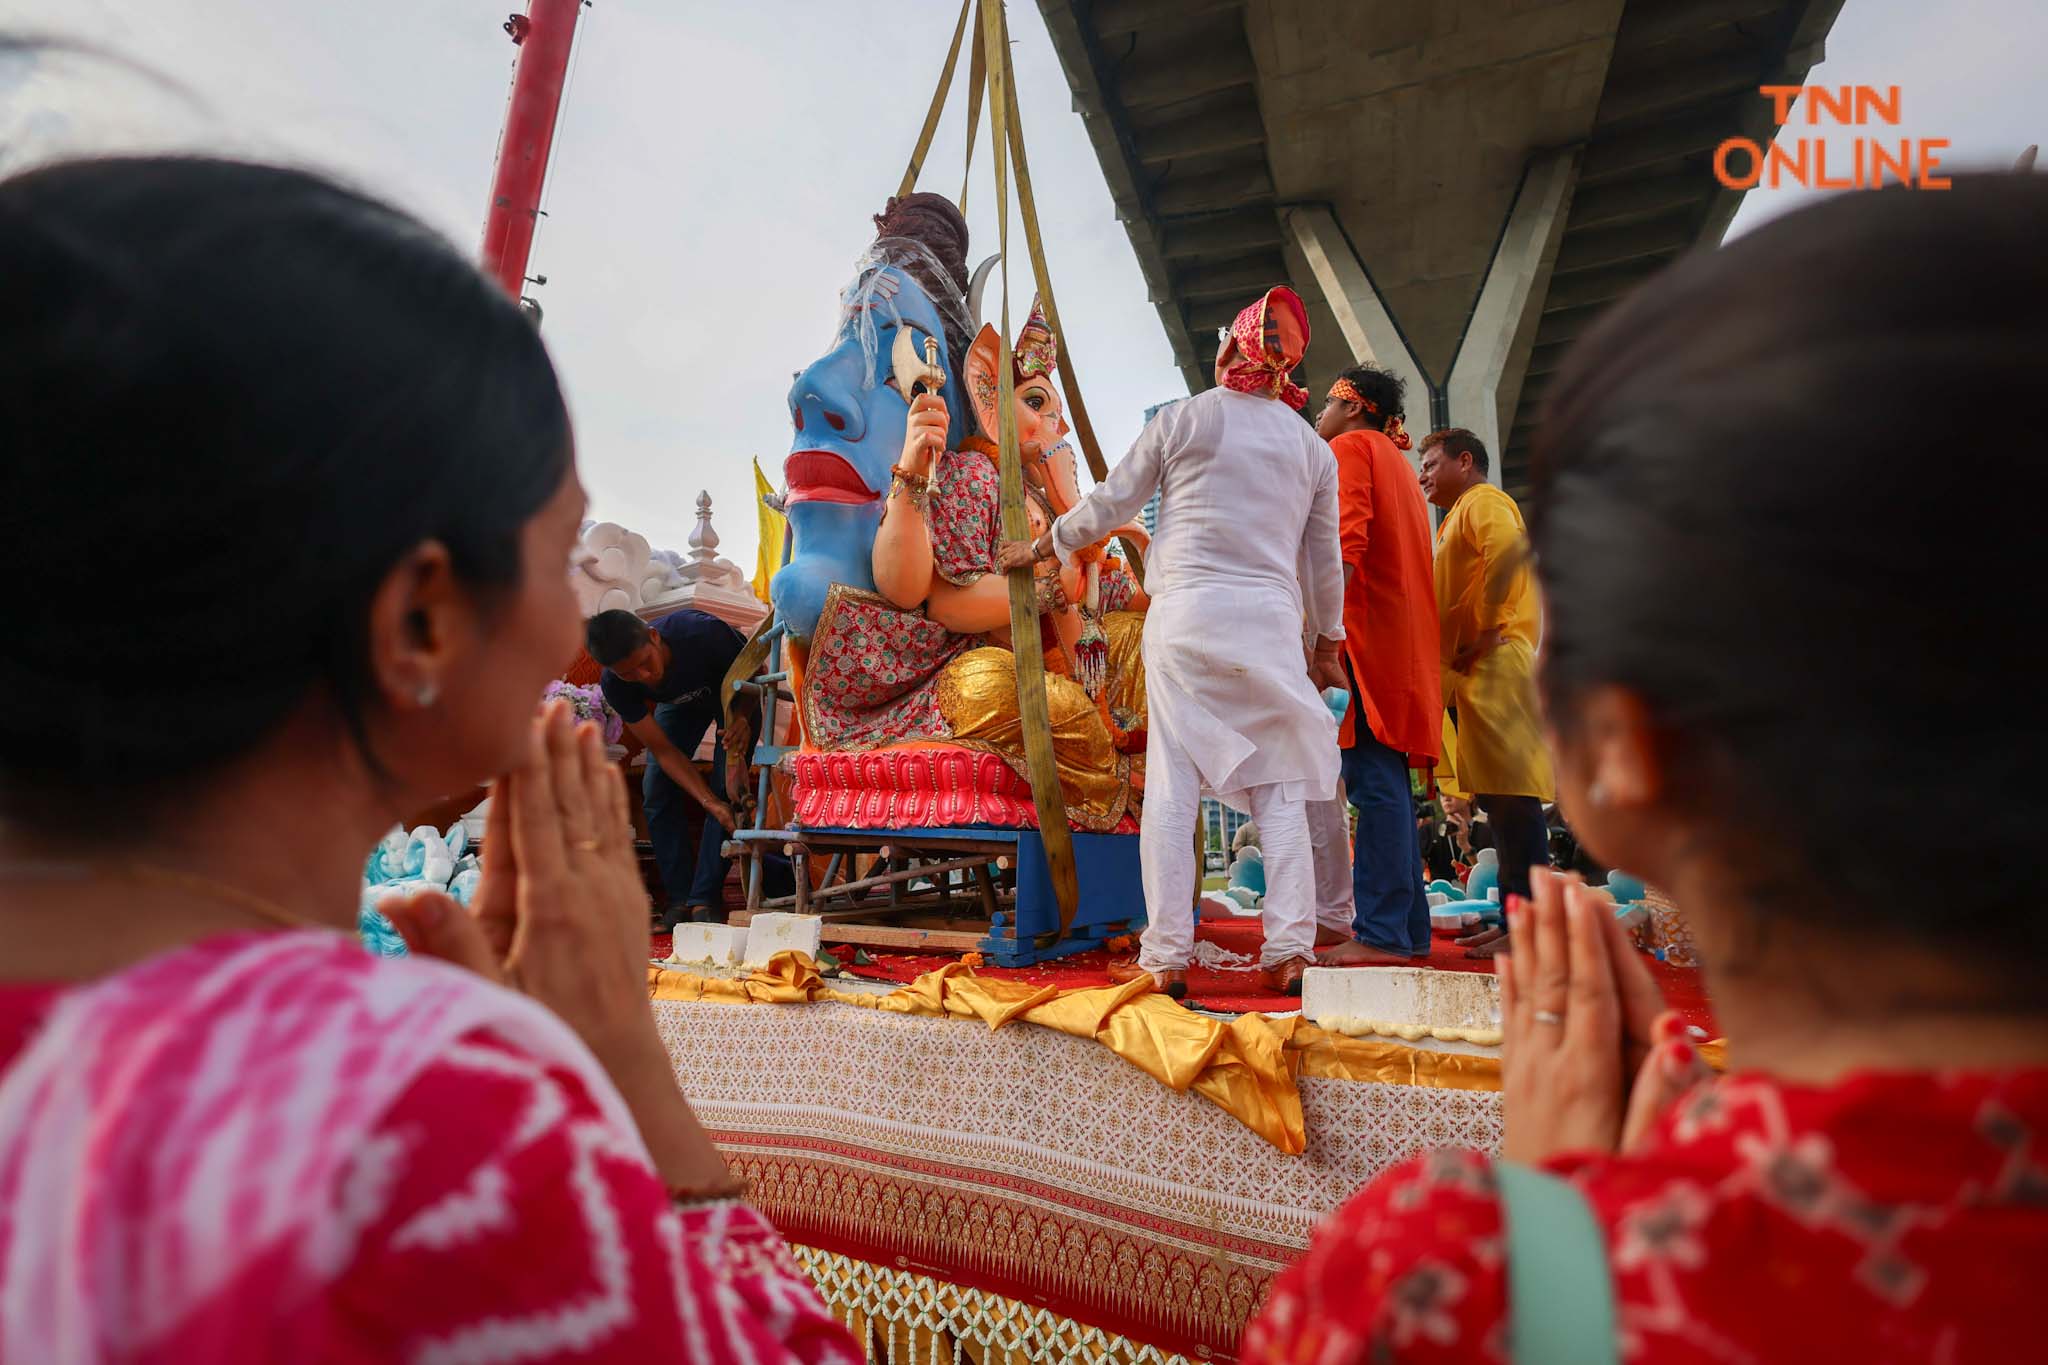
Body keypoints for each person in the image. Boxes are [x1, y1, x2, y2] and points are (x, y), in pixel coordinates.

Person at [0, 156, 858, 1363]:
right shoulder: (406, 1117)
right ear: (420, 623)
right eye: (559, 552)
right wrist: (617, 1074)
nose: (565, 631)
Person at [1241, 175, 2048, 1362]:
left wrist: (1553, 1237)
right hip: (1428, 681)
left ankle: (1397, 915)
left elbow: (1379, 567)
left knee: (1421, 813)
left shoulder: (1441, 1292)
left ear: (1619, 749)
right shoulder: (1446, 503)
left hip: (1411, 674)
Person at [1000, 285, 1345, 996]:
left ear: (1231, 349)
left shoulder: (1186, 418)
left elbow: (1110, 502)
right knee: (1281, 790)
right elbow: (1325, 565)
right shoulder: (1314, 450)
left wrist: (1044, 546)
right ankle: (1289, 952)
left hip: (1186, 617)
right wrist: (1327, 644)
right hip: (1273, 626)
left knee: (1173, 785)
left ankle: (1166, 957)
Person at [1307, 365, 1442, 965]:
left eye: (1328, 404)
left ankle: (1384, 934)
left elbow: (1345, 546)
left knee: (1371, 783)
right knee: (1386, 785)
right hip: (1400, 646)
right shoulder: (1397, 463)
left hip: (1365, 640)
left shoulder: (1353, 447)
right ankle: (1406, 933)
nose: (1319, 415)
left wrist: (1323, 640)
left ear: (1354, 406)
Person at [1418, 426, 1553, 955]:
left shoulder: (1484, 501)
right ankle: (1515, 918)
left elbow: (1507, 552)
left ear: (1465, 461)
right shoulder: (1453, 520)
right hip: (1474, 670)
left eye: (1430, 463)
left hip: (1495, 661)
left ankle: (1532, 931)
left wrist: (1491, 625)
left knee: (1515, 801)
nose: (1422, 473)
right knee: (1497, 801)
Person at [586, 606, 753, 928]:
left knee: (726, 784)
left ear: (654, 636)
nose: (644, 677)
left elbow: (753, 672)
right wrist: (709, 804)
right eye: (629, 674)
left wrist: (744, 717)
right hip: (680, 707)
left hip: (734, 698)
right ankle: (679, 900)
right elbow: (663, 751)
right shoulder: (615, 684)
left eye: (645, 663)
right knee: (657, 788)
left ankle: (704, 900)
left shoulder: (701, 632)